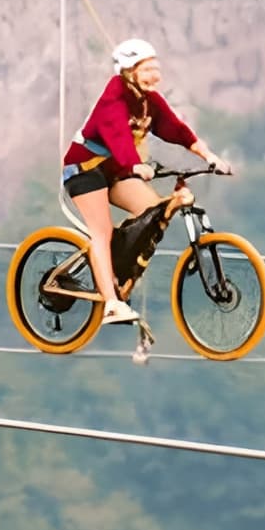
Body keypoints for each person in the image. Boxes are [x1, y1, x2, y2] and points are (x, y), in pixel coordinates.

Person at [62, 38, 231, 325]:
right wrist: (135, 164)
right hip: (84, 169)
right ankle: (112, 305)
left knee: (152, 211)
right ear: (129, 71)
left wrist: (209, 156)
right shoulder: (113, 97)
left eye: (157, 68)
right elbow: (117, 134)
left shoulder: (148, 100)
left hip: (115, 171)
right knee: (100, 231)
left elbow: (175, 129)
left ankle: (119, 261)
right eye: (148, 69)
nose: (156, 75)